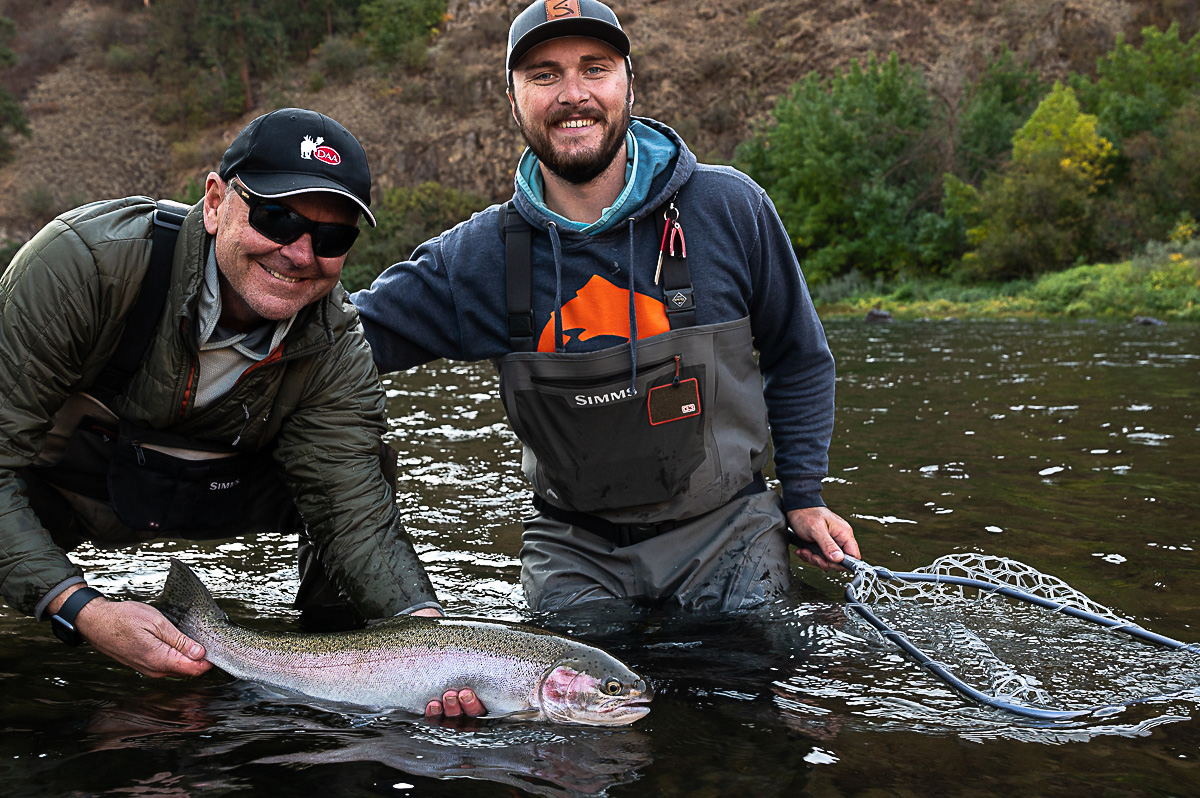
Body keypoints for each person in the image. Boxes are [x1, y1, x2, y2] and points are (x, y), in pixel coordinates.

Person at [353, 1, 860, 618]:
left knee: (751, 701)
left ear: (628, 81)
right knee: (562, 711)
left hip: (730, 532)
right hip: (575, 550)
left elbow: (798, 355)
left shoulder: (731, 208)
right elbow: (341, 341)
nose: (573, 94)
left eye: (595, 69)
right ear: (511, 98)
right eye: (544, 75)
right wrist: (261, 260)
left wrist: (804, 496)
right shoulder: (476, 258)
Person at [0, 108, 453, 694]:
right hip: (64, 489)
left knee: (369, 473)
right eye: (276, 217)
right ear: (215, 203)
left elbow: (352, 514)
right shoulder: (84, 266)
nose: (300, 253)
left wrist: (427, 644)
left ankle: (333, 671)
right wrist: (80, 608)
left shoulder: (338, 348)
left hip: (215, 486)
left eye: (332, 236)